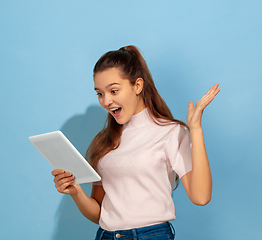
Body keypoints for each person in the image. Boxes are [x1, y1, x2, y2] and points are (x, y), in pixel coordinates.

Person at [52, 45, 220, 240]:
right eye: (99, 93)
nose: (106, 101)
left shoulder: (171, 132)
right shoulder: (104, 141)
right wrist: (76, 192)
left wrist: (196, 129)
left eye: (113, 91)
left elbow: (201, 197)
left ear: (137, 86)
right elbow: (99, 214)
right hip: (105, 236)